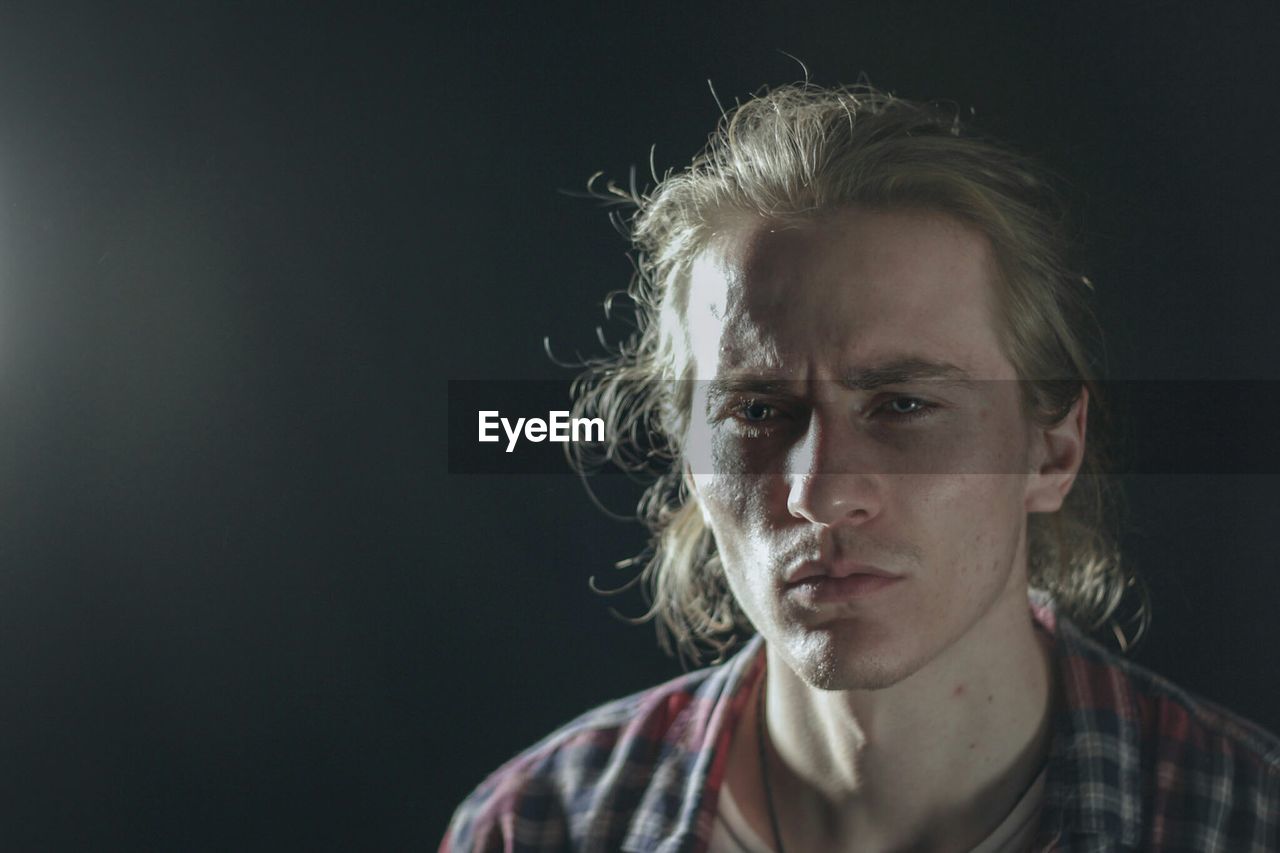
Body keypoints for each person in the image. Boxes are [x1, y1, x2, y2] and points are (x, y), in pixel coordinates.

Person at [440, 84, 1280, 852]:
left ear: (1052, 451)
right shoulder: (537, 827)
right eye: (757, 412)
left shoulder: (1240, 818)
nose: (820, 491)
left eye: (904, 405)